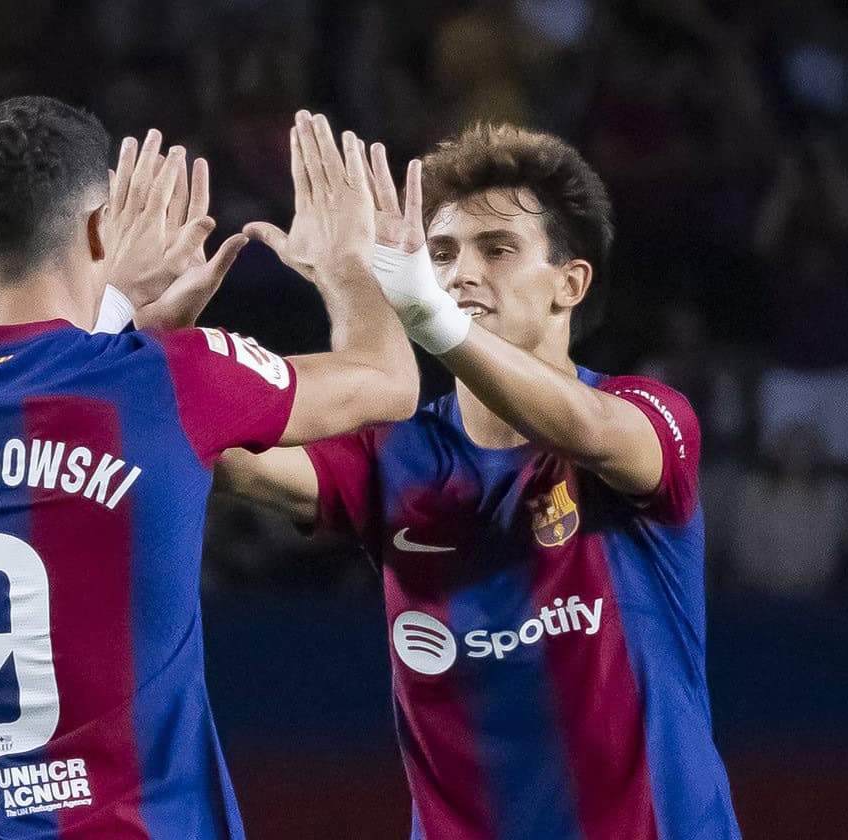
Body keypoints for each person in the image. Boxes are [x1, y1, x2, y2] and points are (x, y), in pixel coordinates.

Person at [0, 97, 417, 838]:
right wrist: (350, 266)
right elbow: (387, 381)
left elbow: (29, 409)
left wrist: (119, 316)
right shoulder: (170, 377)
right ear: (99, 229)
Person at [218, 123, 742, 839]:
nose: (460, 274)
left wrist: (429, 319)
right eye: (440, 254)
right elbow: (210, 450)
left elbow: (588, 428)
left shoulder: (647, 415)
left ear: (570, 283)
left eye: (497, 250)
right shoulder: (392, 456)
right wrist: (131, 328)